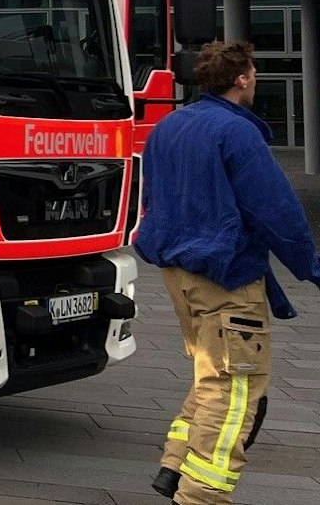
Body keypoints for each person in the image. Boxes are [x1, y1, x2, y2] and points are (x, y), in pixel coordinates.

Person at [135, 41, 320, 502]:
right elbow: (277, 212)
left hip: (179, 274)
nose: (255, 79)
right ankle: (200, 496)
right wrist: (311, 267)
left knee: (211, 376)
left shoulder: (169, 125)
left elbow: (153, 197)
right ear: (241, 79)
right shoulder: (237, 133)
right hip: (225, 278)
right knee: (235, 389)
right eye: (253, 72)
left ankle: (174, 466)